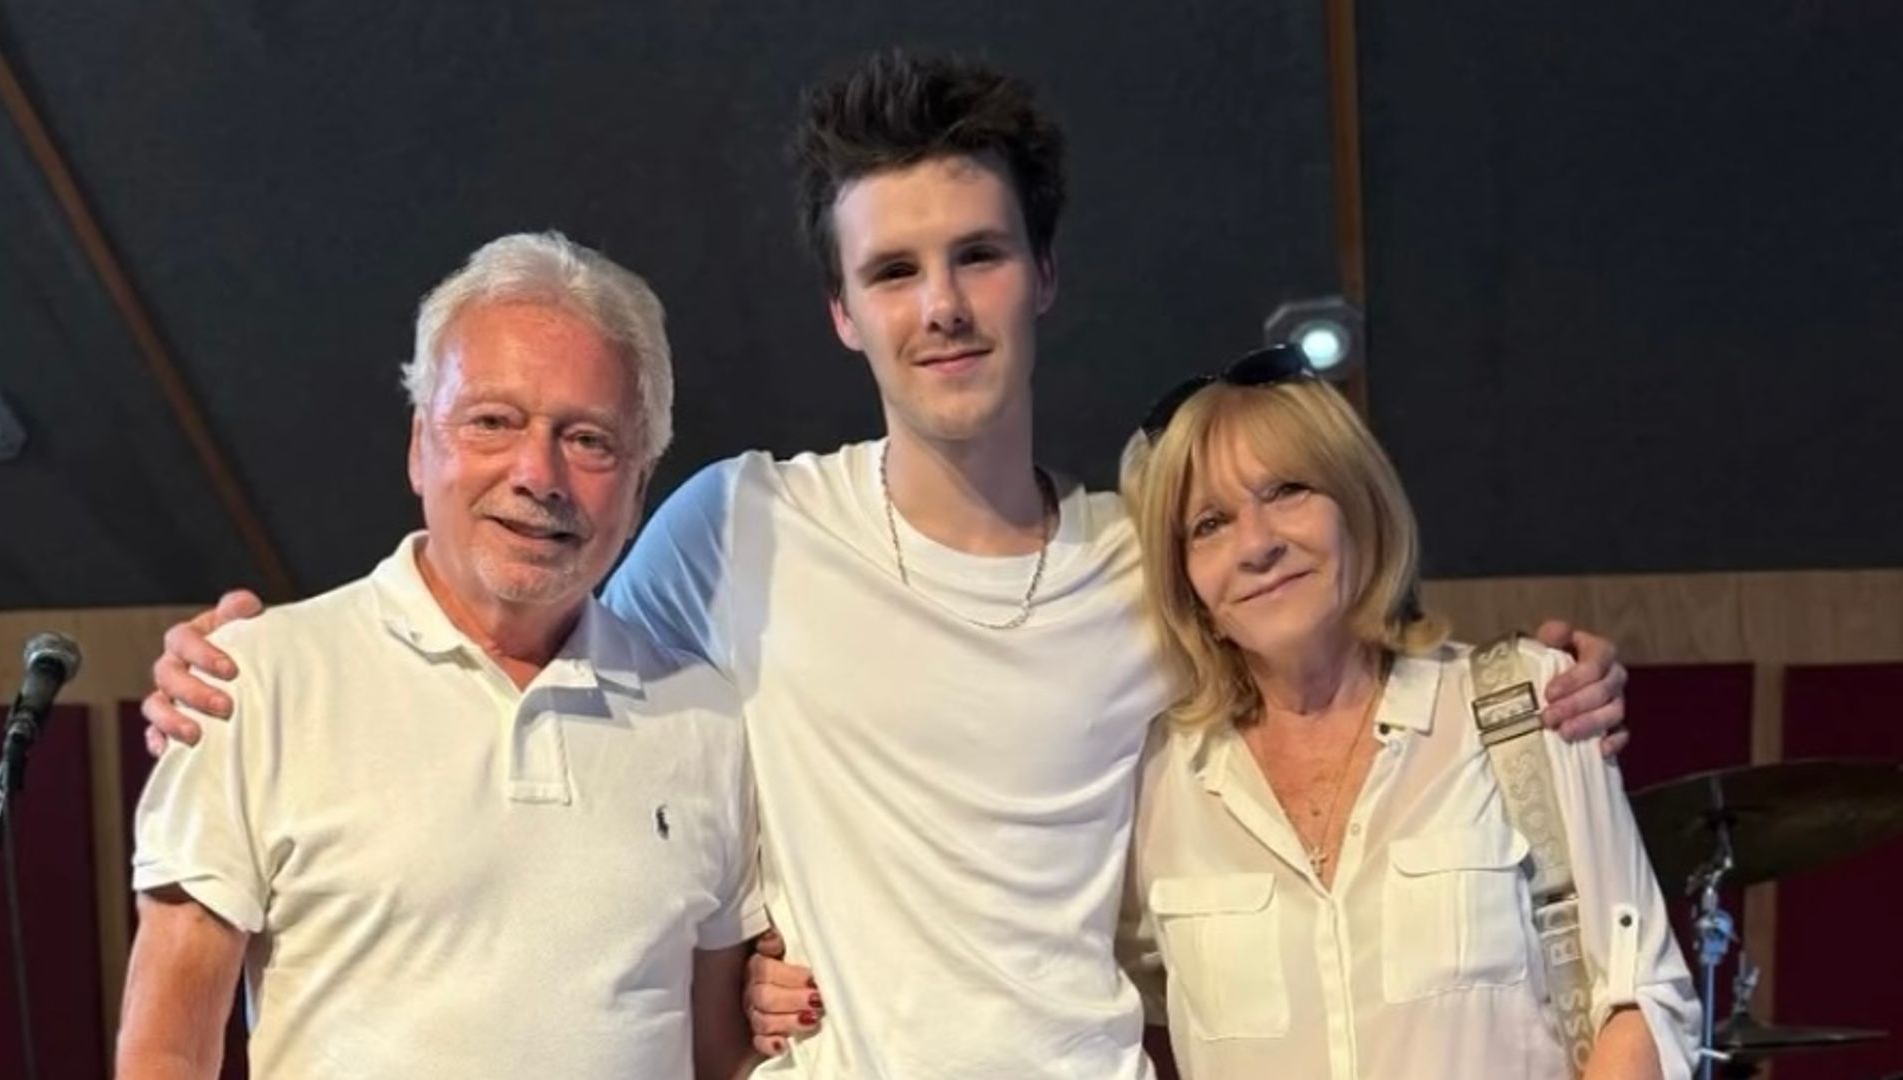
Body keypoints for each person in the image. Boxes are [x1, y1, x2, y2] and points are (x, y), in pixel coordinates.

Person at [140, 53, 1631, 1078]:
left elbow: (1347, 663)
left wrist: (1547, 687)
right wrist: (240, 677)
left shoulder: (1145, 562)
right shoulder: (738, 527)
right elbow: (513, 600)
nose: (944, 307)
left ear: (1043, 274)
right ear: (845, 313)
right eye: (894, 272)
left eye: (977, 256)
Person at [117, 233, 765, 1079]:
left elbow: (718, 1056)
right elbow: (165, 1050)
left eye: (590, 440)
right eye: (493, 421)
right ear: (420, 444)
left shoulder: (706, 719)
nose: (539, 472)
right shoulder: (250, 681)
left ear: (640, 486)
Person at [1110, 346, 1696, 1078]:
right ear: (1185, 580)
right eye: (1209, 525)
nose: (1256, 544)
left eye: (1288, 489)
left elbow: (1640, 998)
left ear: (1359, 506)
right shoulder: (1152, 779)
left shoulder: (1526, 704)